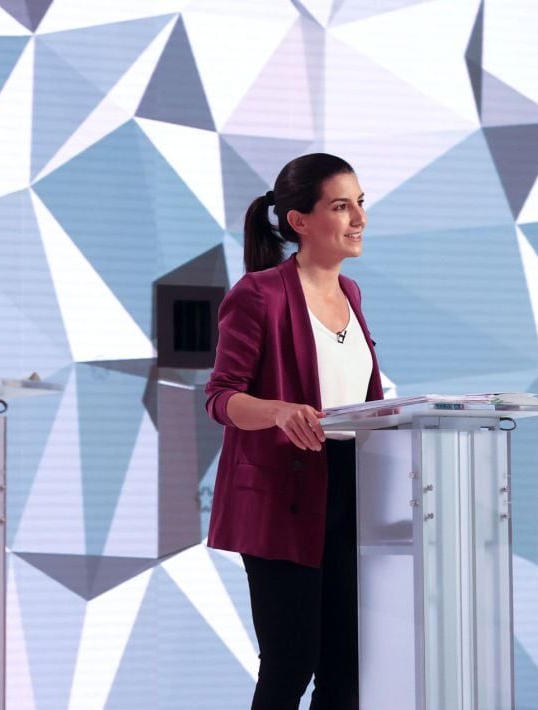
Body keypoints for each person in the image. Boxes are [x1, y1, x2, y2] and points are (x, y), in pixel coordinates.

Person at [204, 154, 383, 710]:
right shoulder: (259, 294)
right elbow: (220, 397)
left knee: (347, 667)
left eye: (360, 203)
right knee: (290, 663)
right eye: (340, 206)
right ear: (299, 220)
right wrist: (280, 411)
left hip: (352, 493)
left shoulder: (351, 294)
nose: (358, 218)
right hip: (283, 500)